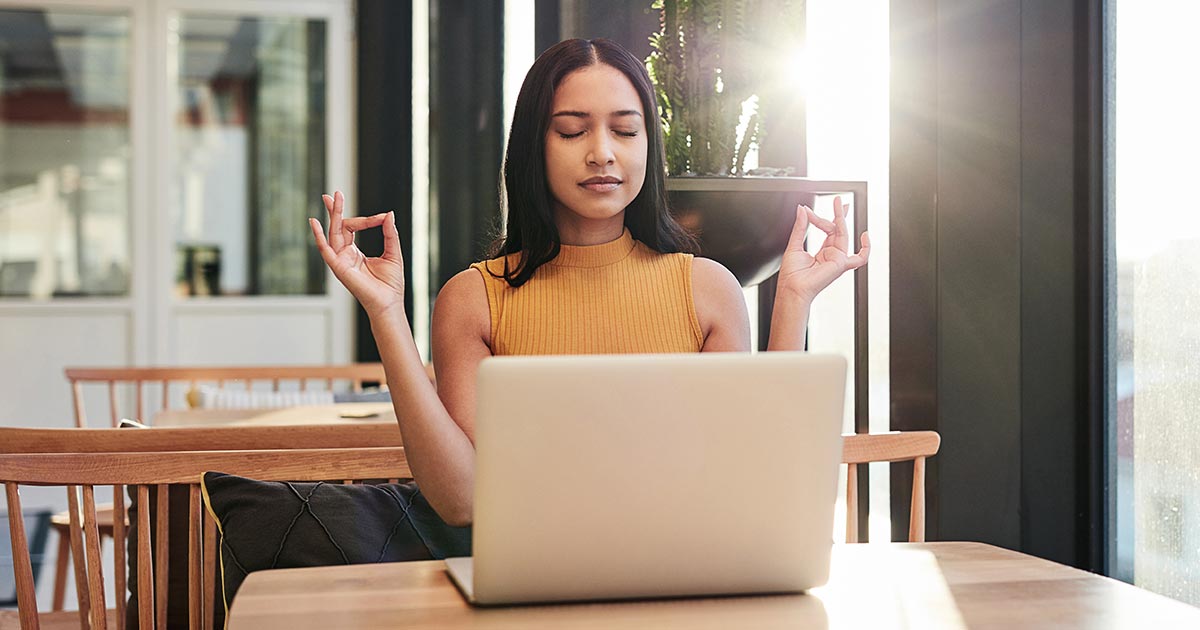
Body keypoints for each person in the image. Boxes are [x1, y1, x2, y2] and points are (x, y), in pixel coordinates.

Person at [310, 38, 869, 527]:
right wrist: (385, 313)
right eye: (573, 131)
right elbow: (462, 501)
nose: (602, 152)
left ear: (648, 145)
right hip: (532, 588)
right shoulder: (475, 298)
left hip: (687, 577)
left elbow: (752, 476)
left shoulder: (707, 290)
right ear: (534, 146)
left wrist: (793, 300)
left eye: (626, 130)